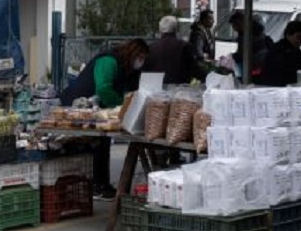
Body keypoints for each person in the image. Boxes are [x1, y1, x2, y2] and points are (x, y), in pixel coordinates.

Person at [60, 39, 150, 200]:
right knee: (96, 144)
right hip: (79, 104)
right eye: (140, 57)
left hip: (96, 109)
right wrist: (122, 106)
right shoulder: (108, 60)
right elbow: (103, 88)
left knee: (102, 143)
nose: (140, 62)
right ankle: (97, 185)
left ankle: (101, 184)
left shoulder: (127, 69)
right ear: (132, 53)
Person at [259, 20, 301, 87]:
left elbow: (299, 61)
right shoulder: (279, 49)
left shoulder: (293, 48)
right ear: (288, 35)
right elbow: (294, 61)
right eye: (299, 37)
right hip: (276, 88)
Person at [144, 15, 207, 85]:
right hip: (179, 92)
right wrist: (209, 78)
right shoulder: (185, 46)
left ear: (160, 29)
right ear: (176, 29)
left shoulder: (150, 48)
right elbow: (195, 70)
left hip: (156, 91)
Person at [228, 11, 272, 82]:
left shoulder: (249, 35)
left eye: (234, 26)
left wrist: (233, 56)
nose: (234, 29)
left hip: (255, 65)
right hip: (257, 64)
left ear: (240, 23)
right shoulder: (254, 31)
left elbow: (243, 53)